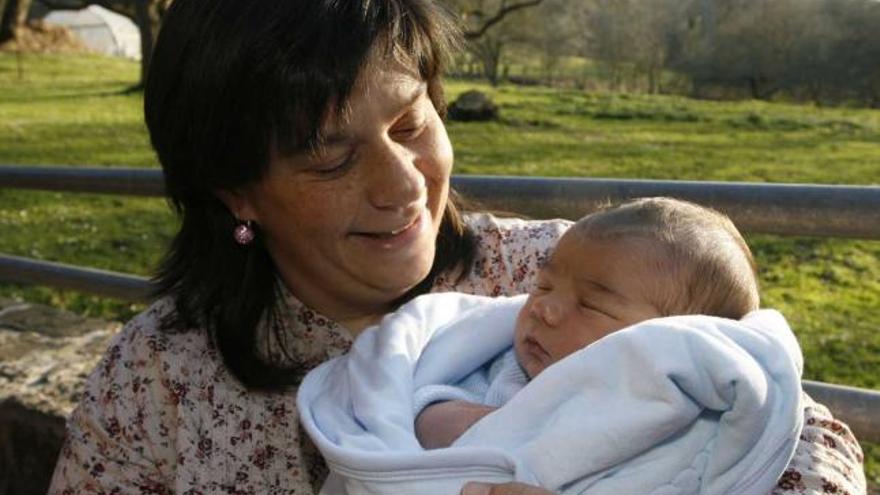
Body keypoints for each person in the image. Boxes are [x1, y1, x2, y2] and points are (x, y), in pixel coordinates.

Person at [47, 0, 866, 494]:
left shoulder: (566, 275)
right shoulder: (158, 377)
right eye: (333, 158)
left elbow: (798, 429)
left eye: (411, 124)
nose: (404, 186)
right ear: (236, 190)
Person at [297, 197, 805, 494]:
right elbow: (420, 411)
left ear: (666, 344)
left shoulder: (682, 427)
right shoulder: (507, 369)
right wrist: (492, 422)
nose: (545, 308)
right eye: (543, 287)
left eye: (592, 306)